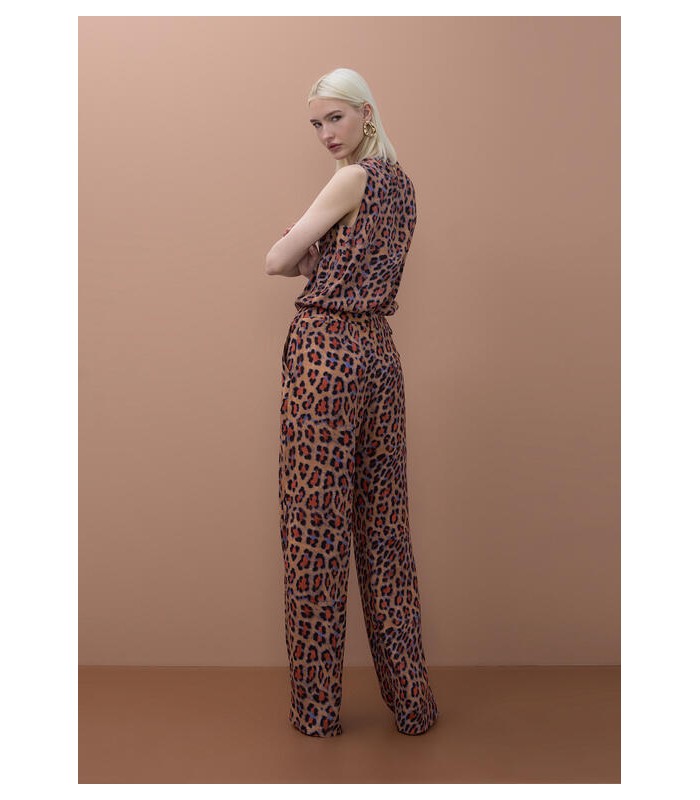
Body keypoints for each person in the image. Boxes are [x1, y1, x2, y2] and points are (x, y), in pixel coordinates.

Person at [265, 67, 439, 738]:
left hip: (326, 357)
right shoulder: (405, 187)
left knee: (315, 533)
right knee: (386, 532)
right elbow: (356, 263)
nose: (325, 134)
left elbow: (276, 260)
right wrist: (321, 259)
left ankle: (316, 711)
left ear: (366, 113)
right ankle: (413, 706)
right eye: (316, 123)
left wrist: (301, 251)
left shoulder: (351, 180)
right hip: (379, 357)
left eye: (334, 117)